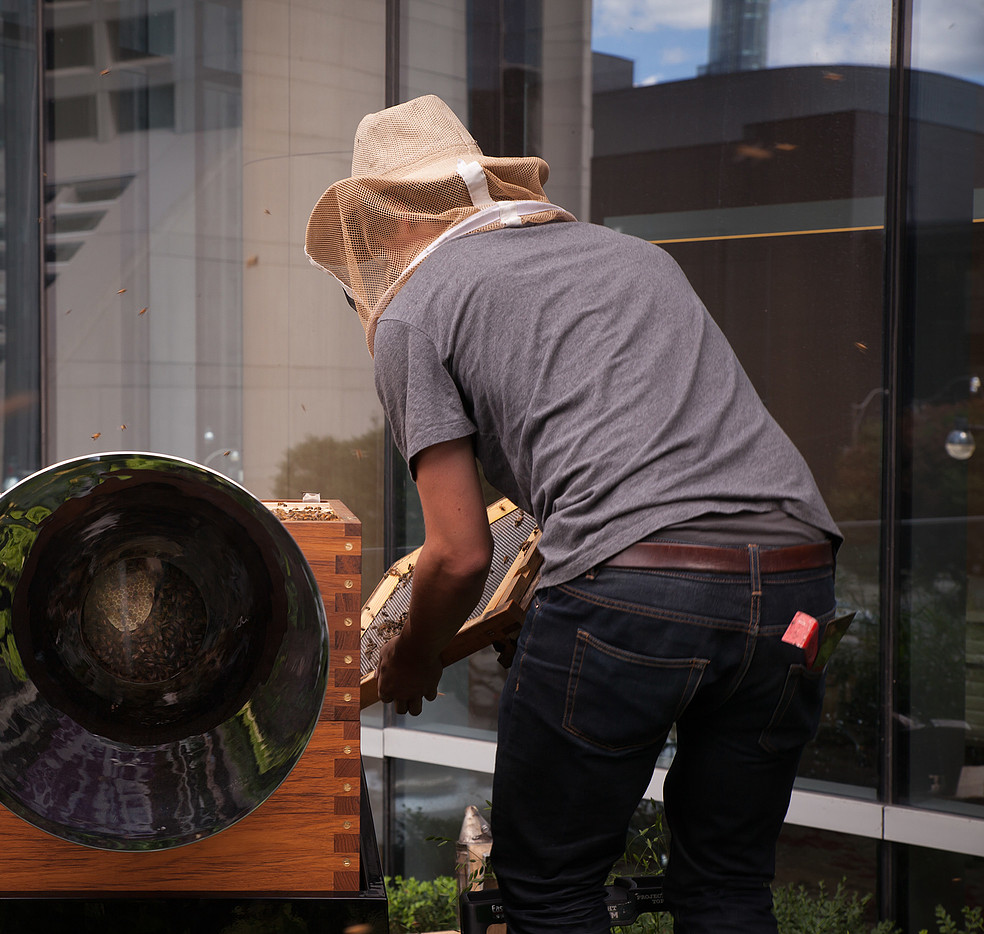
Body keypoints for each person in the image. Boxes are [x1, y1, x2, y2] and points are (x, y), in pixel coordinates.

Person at [305, 95, 841, 934]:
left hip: (637, 589)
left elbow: (457, 553)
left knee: (550, 888)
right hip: (797, 587)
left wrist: (414, 661)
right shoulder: (636, 258)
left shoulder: (414, 310)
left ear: (383, 228)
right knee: (730, 882)